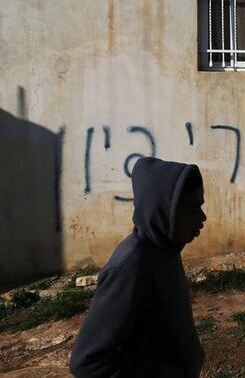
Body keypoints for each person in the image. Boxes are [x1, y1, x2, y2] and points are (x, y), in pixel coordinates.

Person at [69, 157, 207, 378]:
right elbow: (88, 362)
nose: (203, 218)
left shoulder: (166, 251)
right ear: (165, 211)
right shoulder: (132, 266)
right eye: (192, 210)